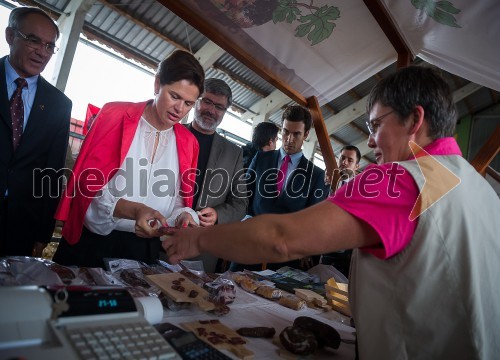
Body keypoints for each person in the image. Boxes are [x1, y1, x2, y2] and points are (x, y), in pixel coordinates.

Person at [162, 66, 500, 359]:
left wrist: (200, 238)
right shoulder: (477, 186)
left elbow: (282, 239)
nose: (370, 142)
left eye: (375, 125)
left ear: (415, 119)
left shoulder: (405, 180)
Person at [53, 50, 205, 268]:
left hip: (144, 250)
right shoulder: (114, 115)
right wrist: (134, 210)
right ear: (157, 84)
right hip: (94, 242)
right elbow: (86, 188)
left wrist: (183, 217)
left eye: (189, 103)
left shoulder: (189, 142)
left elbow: (179, 201)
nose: (180, 109)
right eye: (175, 96)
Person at [0, 7, 71, 257]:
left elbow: (51, 173)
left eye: (50, 46)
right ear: (10, 36)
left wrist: (43, 233)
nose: (42, 52)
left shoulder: (59, 105)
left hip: (19, 227)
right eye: (33, 41)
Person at [232, 104, 329, 271]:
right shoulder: (261, 158)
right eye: (285, 132)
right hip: (249, 246)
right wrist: (244, 219)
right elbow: (243, 196)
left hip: (283, 258)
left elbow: (313, 220)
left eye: (296, 134)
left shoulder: (316, 175)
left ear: (306, 134)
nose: (289, 139)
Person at [186, 78, 248, 272]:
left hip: (202, 251)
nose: (212, 111)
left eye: (219, 107)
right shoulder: (172, 134)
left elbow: (241, 203)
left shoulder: (234, 153)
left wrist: (218, 215)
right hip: (159, 241)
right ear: (196, 100)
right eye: (207, 102)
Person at [321, 144, 361, 277]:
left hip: (343, 254)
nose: (344, 162)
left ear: (356, 166)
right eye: (342, 158)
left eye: (350, 160)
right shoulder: (323, 182)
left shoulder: (360, 192)